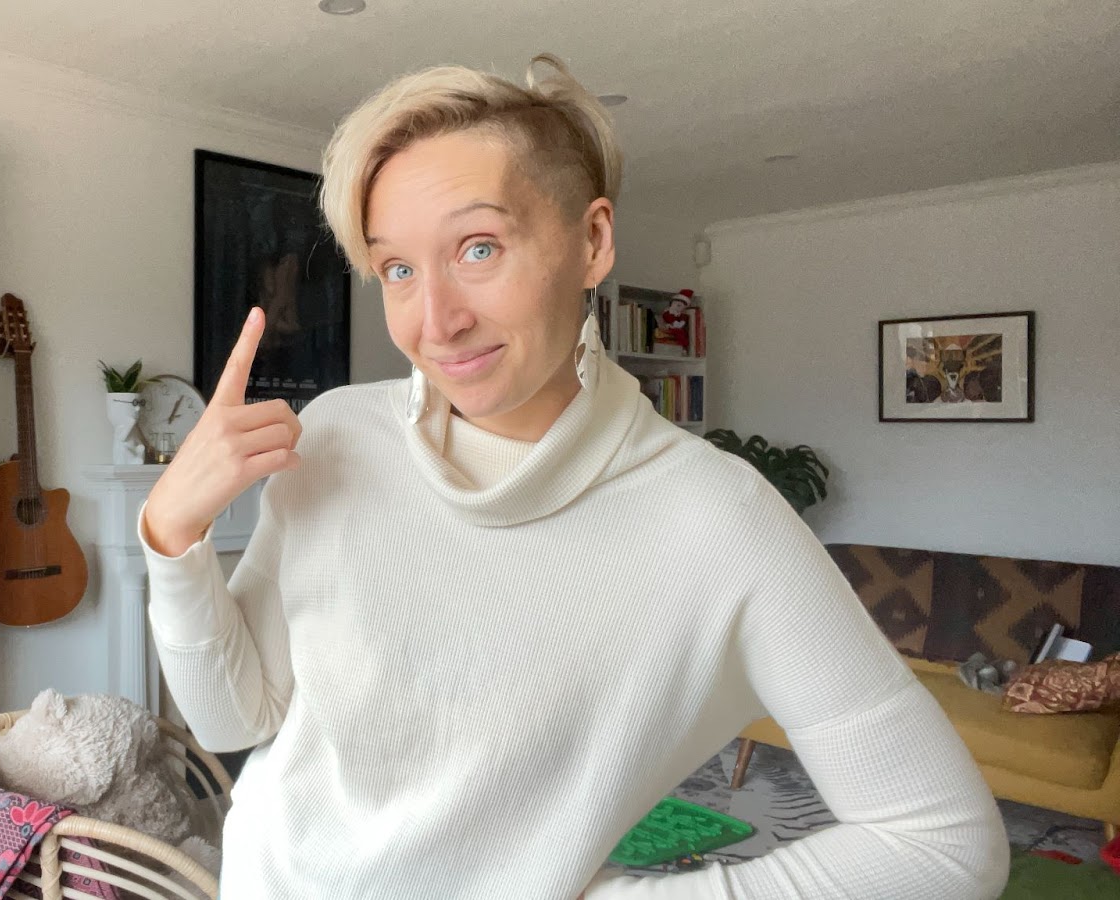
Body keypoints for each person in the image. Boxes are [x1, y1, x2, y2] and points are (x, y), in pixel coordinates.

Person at [139, 53, 1009, 898]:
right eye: (397, 268)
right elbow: (234, 723)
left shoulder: (717, 519)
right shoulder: (334, 436)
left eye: (478, 248)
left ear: (592, 242)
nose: (434, 321)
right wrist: (174, 541)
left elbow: (943, 846)